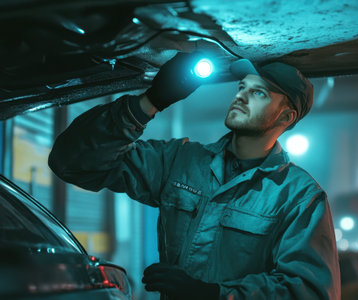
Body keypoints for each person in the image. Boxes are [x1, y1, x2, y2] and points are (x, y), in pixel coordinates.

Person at [48, 52, 340, 300]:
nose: (240, 96)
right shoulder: (181, 161)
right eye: (242, 86)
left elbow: (311, 291)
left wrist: (213, 293)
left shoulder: (299, 196)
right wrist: (150, 101)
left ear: (285, 117)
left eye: (258, 92)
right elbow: (73, 162)